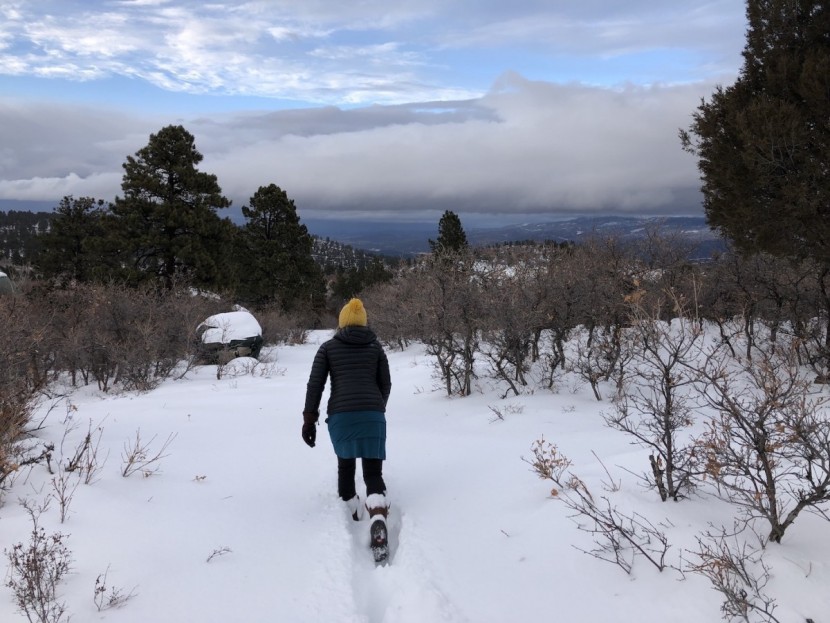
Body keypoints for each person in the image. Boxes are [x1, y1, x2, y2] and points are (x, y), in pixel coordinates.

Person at [302, 298, 392, 533]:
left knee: (346, 466)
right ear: (364, 323)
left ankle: (351, 507)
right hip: (373, 416)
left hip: (342, 417)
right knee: (373, 471)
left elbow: (315, 385)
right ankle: (378, 513)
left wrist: (309, 420)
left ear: (341, 323)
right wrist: (376, 408)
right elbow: (386, 383)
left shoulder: (328, 348)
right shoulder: (376, 347)